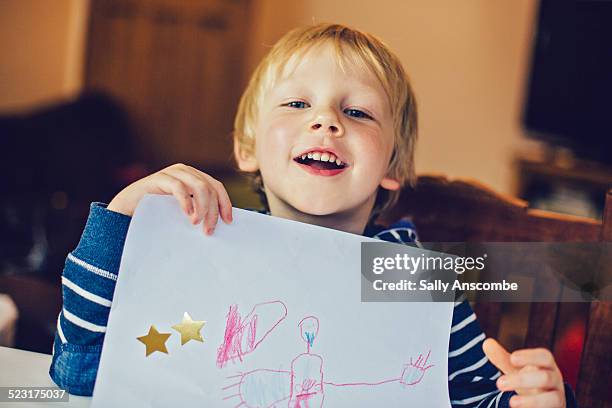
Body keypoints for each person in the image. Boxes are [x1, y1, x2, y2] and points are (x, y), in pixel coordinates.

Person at [49, 23, 575, 407]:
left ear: (392, 165)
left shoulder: (413, 283)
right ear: (247, 148)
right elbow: (80, 370)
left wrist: (540, 399)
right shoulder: (200, 246)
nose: (325, 121)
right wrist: (119, 220)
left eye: (357, 112)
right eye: (297, 104)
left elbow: (475, 401)